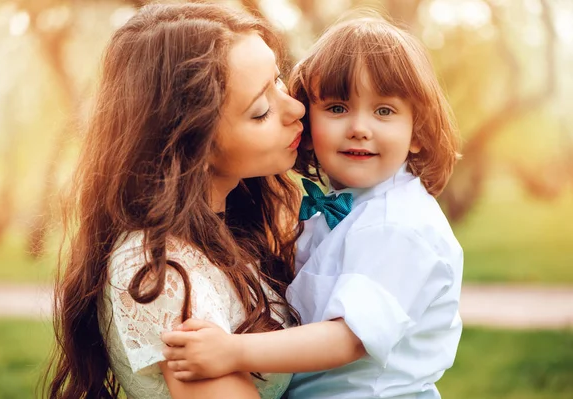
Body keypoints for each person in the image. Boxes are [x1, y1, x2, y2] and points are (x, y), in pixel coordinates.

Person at [161, 12, 463, 399]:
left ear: (417, 133)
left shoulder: (397, 225)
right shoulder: (349, 207)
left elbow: (346, 339)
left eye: (384, 111)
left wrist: (234, 351)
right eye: (337, 108)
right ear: (307, 121)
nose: (359, 127)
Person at [44, 2, 306, 399]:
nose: (297, 108)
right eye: (261, 111)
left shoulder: (230, 230)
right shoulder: (159, 274)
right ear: (191, 145)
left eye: (279, 79)